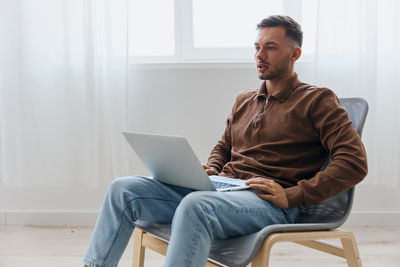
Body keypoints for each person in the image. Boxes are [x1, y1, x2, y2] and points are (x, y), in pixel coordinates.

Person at [83, 15, 368, 267]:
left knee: (197, 205)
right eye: (257, 47)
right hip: (223, 192)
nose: (260, 55)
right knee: (123, 189)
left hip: (270, 203)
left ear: (295, 53)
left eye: (271, 47)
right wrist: (211, 168)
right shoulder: (245, 99)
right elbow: (224, 146)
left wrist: (292, 196)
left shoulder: (317, 100)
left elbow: (354, 163)